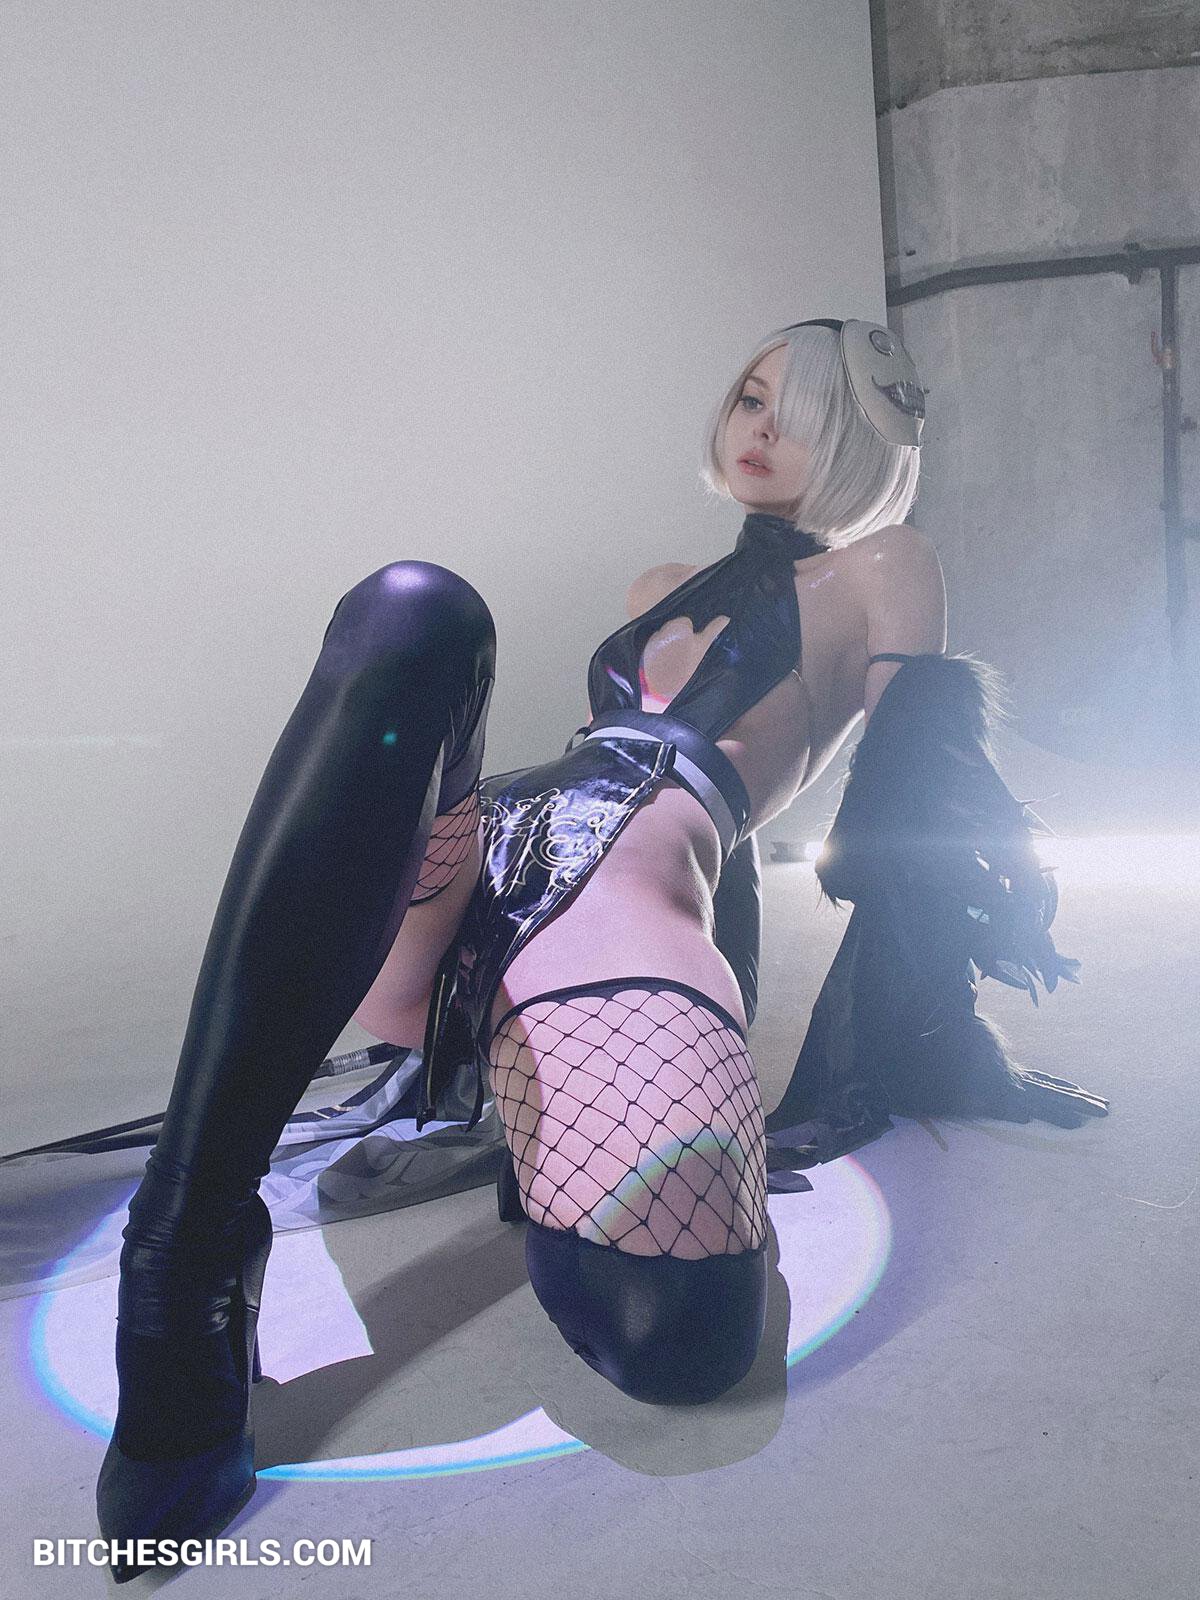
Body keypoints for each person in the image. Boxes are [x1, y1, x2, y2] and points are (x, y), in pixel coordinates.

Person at [91, 317, 1104, 1579]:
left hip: (627, 892)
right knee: (417, 610)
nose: (759, 427)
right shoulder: (657, 586)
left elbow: (920, 787)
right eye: (749, 395)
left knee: (678, 1337)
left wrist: (901, 1018)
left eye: (802, 410)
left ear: (863, 439)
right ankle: (182, 1260)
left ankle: (530, 1089)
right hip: (470, 859)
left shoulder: (884, 565)